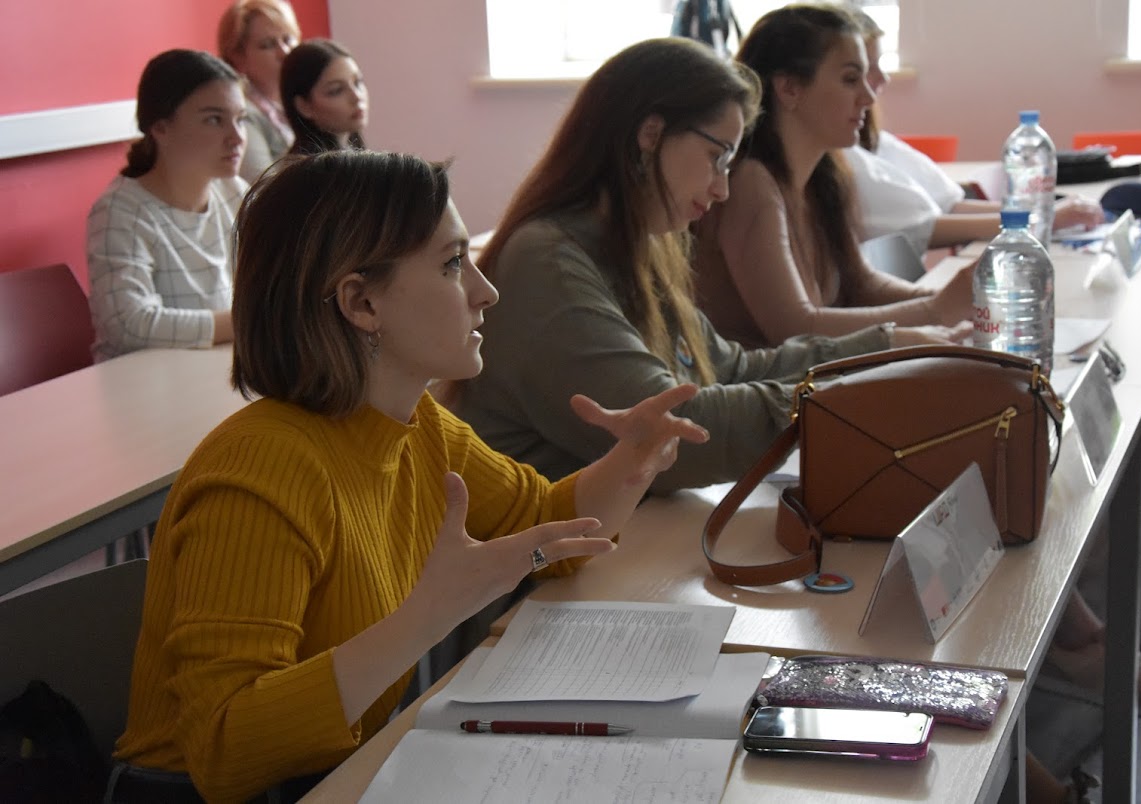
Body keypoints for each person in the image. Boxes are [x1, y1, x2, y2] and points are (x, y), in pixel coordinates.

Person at [108, 150, 707, 803]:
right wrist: (430, 614)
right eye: (453, 264)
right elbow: (225, 750)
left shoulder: (417, 425)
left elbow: (547, 530)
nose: (486, 290)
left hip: (336, 776)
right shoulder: (260, 470)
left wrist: (630, 463)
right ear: (362, 302)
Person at [455, 36, 961, 494]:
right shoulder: (549, 262)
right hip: (540, 557)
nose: (722, 189)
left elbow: (728, 368)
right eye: (717, 158)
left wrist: (886, 347)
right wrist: (860, 392)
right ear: (650, 133)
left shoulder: (634, 245)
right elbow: (671, 434)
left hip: (617, 536)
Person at [691, 4, 972, 349]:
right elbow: (795, 329)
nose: (869, 97)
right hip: (773, 381)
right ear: (789, 88)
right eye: (850, 79)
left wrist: (950, 297)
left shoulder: (824, 175)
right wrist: (935, 309)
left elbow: (862, 285)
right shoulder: (751, 182)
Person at [841, 4, 1103, 254]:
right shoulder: (846, 159)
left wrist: (1040, 214)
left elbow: (949, 205)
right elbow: (927, 228)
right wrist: (1041, 219)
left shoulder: (877, 142)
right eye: (857, 75)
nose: (883, 79)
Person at [87, 49, 246, 362]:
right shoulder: (120, 210)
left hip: (215, 366)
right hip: (143, 381)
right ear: (160, 128)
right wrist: (249, 322)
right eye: (214, 120)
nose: (237, 137)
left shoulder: (235, 193)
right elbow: (129, 324)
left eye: (241, 119)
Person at [217, 0, 300, 182]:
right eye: (268, 45)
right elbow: (262, 185)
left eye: (288, 39)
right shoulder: (242, 113)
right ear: (237, 57)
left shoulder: (303, 98)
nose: (284, 52)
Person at [281, 38, 368, 156]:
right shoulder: (309, 166)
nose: (357, 97)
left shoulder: (355, 154)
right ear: (303, 106)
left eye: (357, 82)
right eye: (336, 90)